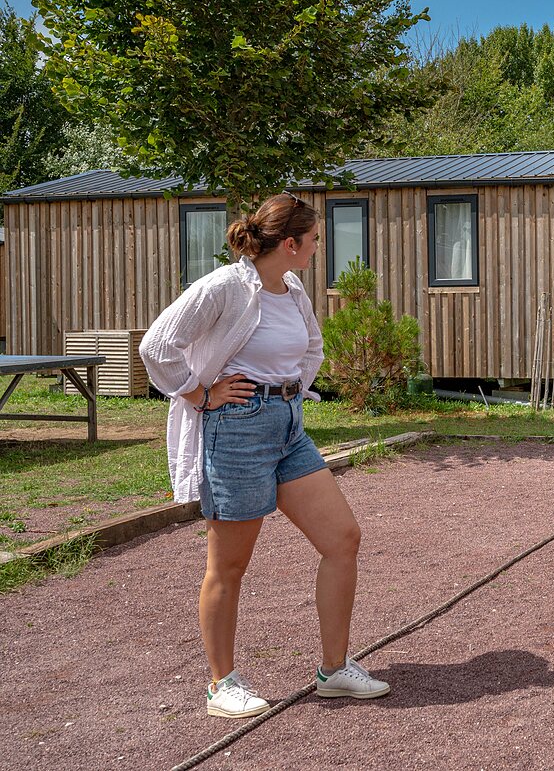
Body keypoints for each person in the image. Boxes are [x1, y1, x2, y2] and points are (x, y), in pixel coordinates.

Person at [140, 193, 390, 719]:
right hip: (235, 430)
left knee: (342, 538)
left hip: (287, 426)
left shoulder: (292, 287)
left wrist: (294, 390)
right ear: (291, 243)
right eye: (316, 239)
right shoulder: (225, 286)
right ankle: (221, 684)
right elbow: (157, 345)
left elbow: (311, 346)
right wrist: (198, 393)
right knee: (229, 563)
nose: (320, 247)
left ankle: (334, 670)